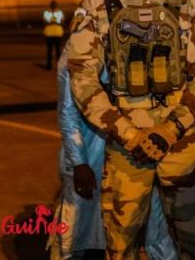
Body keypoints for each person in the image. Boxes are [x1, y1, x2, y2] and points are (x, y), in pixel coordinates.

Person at [68, 0, 195, 258]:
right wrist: (128, 133)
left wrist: (171, 128)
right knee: (121, 247)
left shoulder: (188, 1)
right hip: (127, 151)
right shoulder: (98, 3)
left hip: (181, 147)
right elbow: (82, 77)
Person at [48, 42, 177, 260]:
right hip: (92, 158)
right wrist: (79, 162)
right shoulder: (78, 46)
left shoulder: (133, 37)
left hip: (136, 156)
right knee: (79, 236)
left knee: (154, 232)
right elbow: (68, 112)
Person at [44, 0, 65, 70]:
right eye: (52, 4)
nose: (53, 6)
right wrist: (56, 22)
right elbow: (46, 22)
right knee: (51, 51)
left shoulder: (58, 12)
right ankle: (50, 65)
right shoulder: (48, 12)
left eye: (54, 4)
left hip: (55, 33)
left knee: (56, 51)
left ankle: (53, 66)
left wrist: (52, 21)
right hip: (52, 33)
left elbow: (47, 22)